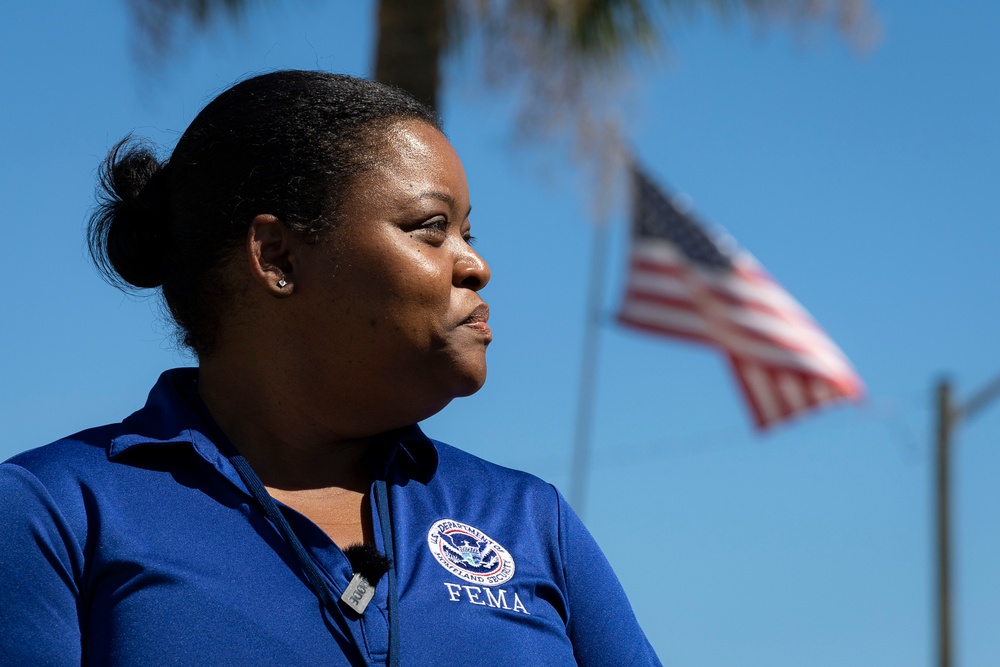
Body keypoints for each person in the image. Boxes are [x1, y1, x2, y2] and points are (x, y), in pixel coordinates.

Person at [0, 70, 660, 666]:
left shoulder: (527, 519)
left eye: (469, 234)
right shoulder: (55, 511)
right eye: (431, 228)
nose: (475, 265)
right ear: (279, 257)